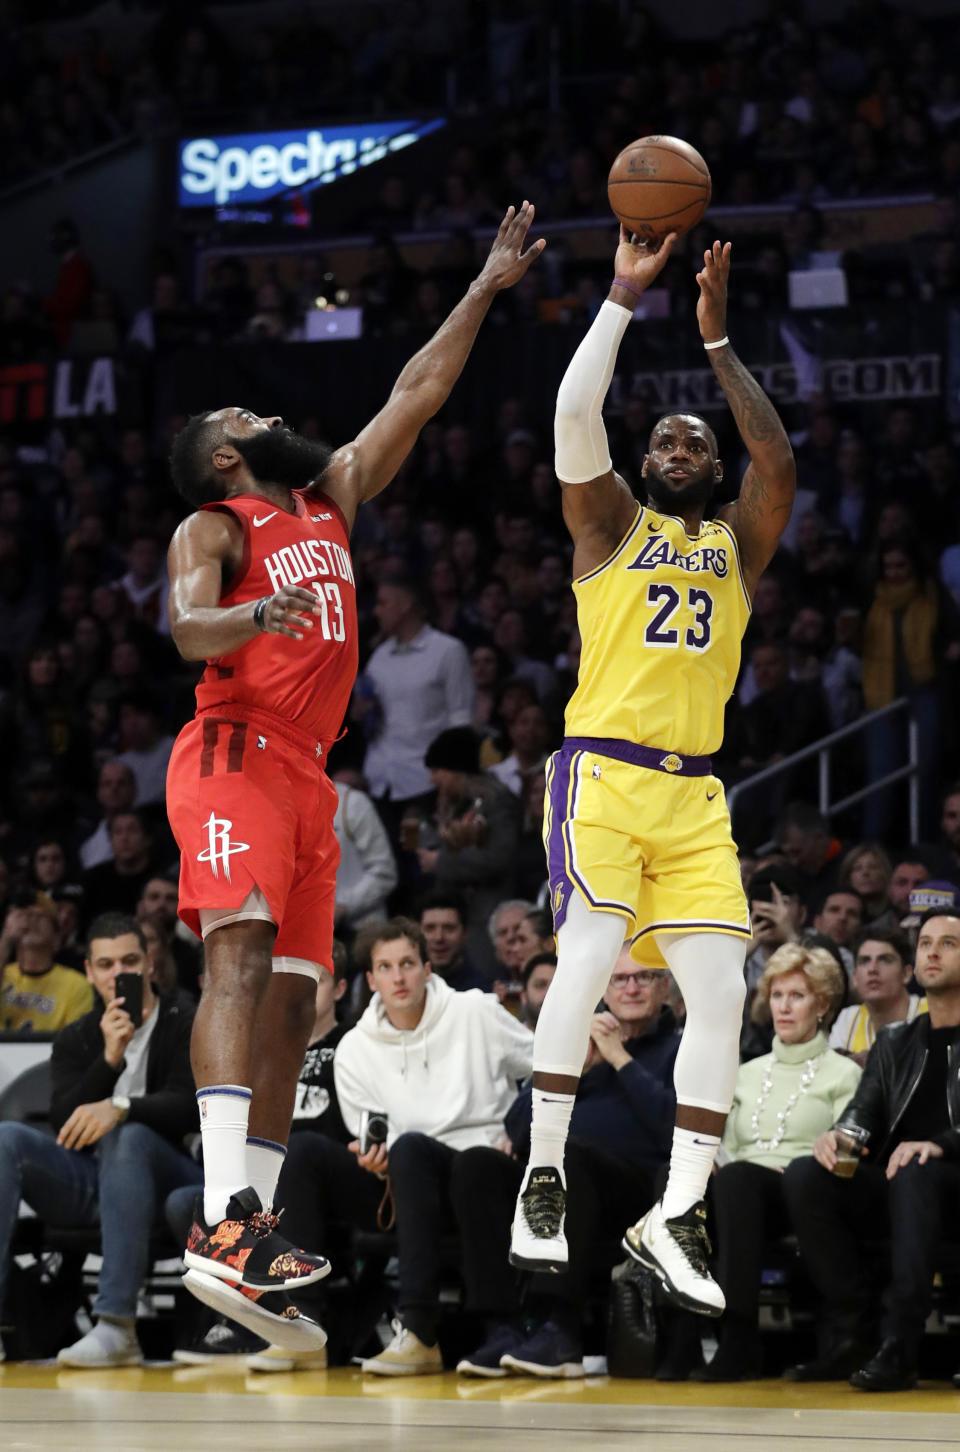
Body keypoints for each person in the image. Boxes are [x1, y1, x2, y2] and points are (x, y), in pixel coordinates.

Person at [163, 201, 545, 1344]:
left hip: (309, 780)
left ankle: (256, 1220)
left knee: (296, 1000)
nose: (274, 416)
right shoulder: (215, 522)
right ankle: (226, 1210)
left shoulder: (328, 495)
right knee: (234, 951)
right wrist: (247, 615)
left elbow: (416, 394)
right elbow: (186, 630)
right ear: (227, 454)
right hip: (232, 749)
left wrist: (481, 287)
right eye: (250, 413)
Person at [509, 229, 797, 1323]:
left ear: (711, 469)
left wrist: (718, 340)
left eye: (694, 442)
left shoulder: (736, 543)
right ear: (644, 464)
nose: (679, 446)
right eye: (664, 438)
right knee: (584, 950)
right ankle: (546, 1169)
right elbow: (573, 421)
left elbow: (780, 461)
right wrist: (625, 298)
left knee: (726, 990)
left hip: (695, 794)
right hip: (604, 774)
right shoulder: (607, 525)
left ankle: (676, 1213)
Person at [457, 947, 680, 1378]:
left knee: (570, 1155)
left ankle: (559, 1328)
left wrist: (620, 1058)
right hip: (556, 1185)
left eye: (644, 978)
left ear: (664, 988)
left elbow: (675, 1129)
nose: (631, 987)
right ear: (605, 990)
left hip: (633, 1193)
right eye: (619, 979)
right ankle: (500, 1328)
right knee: (477, 1165)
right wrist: (573, 1070)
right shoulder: (578, 1045)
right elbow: (519, 1128)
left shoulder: (679, 1049)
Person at [330, 918, 533, 1374]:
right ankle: (418, 1330)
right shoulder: (354, 1050)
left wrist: (520, 1130)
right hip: (415, 1180)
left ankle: (502, 1330)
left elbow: (543, 1071)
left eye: (407, 964)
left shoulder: (475, 1011)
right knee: (408, 1149)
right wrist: (373, 1160)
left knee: (471, 1165)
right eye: (385, 967)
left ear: (426, 967)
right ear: (370, 979)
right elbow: (372, 1134)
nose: (398, 978)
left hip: (491, 1164)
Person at [0, 914, 200, 1367]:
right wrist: (109, 1060)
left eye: (129, 961)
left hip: (172, 1178)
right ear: (88, 971)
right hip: (97, 1180)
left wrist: (122, 1107)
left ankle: (116, 1325)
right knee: (7, 1139)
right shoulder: (77, 1035)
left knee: (125, 1134)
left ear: (149, 964)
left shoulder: (186, 1019)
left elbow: (191, 1105)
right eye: (106, 964)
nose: (117, 974)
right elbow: (63, 1121)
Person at [782, 909, 960, 1390]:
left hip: (949, 1180)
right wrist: (840, 1136)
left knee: (915, 1168)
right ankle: (852, 1334)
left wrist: (939, 1145)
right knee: (805, 1174)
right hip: (901, 1184)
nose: (933, 953)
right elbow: (863, 1112)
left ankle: (899, 1343)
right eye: (925, 944)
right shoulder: (895, 1041)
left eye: (948, 944)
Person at [694, 942, 860, 1381]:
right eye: (777, 996)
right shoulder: (746, 1072)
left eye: (797, 996)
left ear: (822, 1004)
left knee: (741, 1181)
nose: (784, 1008)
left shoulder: (845, 1074)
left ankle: (739, 1338)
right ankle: (684, 1341)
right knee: (710, 1177)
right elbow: (725, 1146)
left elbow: (850, 1144)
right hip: (741, 1190)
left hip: (808, 1191)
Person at [829, 927, 927, 1063]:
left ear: (906, 974)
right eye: (864, 961)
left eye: (885, 960)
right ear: (855, 978)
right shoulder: (848, 1018)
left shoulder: (934, 1013)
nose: (872, 969)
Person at [1, 899, 93, 1034]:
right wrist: (6, 939)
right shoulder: (4, 972)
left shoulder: (76, 984)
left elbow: (77, 1043)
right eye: (27, 915)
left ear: (57, 938)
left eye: (41, 916)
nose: (31, 920)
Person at [331, 776, 398, 933]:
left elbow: (384, 872)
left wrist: (342, 907)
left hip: (360, 931)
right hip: (303, 935)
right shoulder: (275, 807)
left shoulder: (352, 804)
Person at [418, 890, 488, 992]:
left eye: (449, 928)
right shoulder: (406, 989)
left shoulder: (484, 992)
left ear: (464, 933)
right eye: (430, 928)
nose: (439, 938)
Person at [79, 761, 137, 869]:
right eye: (107, 784)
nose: (114, 788)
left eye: (121, 783)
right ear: (98, 792)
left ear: (133, 789)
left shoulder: (153, 832)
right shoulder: (85, 838)